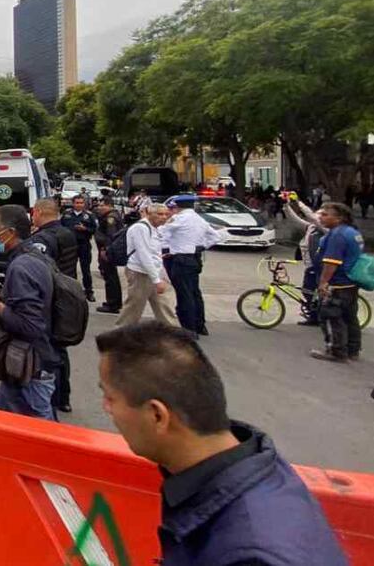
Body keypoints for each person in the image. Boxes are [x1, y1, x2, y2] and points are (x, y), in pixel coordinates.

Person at [96, 321, 347, 565]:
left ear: (157, 415)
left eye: (110, 398)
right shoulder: (253, 468)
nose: (105, 407)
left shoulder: (251, 553)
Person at [0, 205, 58, 420]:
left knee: (45, 438)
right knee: (2, 426)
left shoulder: (21, 266)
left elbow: (30, 325)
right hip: (20, 364)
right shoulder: (32, 254)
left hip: (32, 367)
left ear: (10, 233)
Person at [29, 198, 77, 413]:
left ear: (38, 212)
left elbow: (37, 269)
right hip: (67, 293)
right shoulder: (66, 232)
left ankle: (50, 395)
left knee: (48, 349)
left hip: (51, 298)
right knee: (60, 348)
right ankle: (63, 396)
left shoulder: (43, 238)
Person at [159, 194, 227, 338]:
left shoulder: (179, 219)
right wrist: (200, 247)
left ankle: (188, 330)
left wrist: (167, 249)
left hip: (180, 259)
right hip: (194, 259)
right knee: (195, 292)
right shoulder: (199, 219)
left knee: (184, 295)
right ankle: (199, 325)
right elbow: (216, 236)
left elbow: (161, 232)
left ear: (177, 207)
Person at [310, 202, 364, 363]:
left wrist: (323, 283)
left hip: (337, 285)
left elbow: (331, 263)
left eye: (326, 214)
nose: (321, 217)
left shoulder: (337, 235)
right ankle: (352, 350)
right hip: (350, 284)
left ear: (339, 218)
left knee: (331, 317)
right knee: (350, 318)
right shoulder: (352, 232)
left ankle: (336, 351)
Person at [116, 203, 180, 328]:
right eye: (159, 214)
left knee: (163, 306)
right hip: (140, 273)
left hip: (152, 272)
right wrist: (156, 280)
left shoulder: (155, 228)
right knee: (133, 308)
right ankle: (120, 335)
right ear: (149, 214)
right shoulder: (141, 228)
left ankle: (174, 335)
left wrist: (161, 275)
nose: (164, 217)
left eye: (166, 214)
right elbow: (143, 254)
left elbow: (155, 254)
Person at [284, 194, 325, 326]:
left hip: (317, 265)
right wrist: (286, 206)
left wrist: (299, 202)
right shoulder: (310, 227)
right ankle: (314, 315)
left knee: (309, 290)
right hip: (309, 265)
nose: (317, 217)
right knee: (308, 291)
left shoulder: (324, 229)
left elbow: (312, 216)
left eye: (321, 215)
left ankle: (317, 315)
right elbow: (295, 220)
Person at [61, 195, 97, 302]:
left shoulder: (89, 216)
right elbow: (60, 227)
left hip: (84, 245)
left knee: (85, 270)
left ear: (84, 204)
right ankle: (73, 291)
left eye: (81, 203)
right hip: (70, 246)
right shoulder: (66, 215)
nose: (79, 205)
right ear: (73, 203)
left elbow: (95, 230)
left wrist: (85, 229)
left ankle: (89, 292)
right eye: (77, 203)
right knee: (70, 269)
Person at [93, 198, 124, 314]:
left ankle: (112, 303)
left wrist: (105, 249)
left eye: (102, 206)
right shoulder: (109, 216)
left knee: (110, 277)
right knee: (110, 276)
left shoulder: (111, 218)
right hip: (107, 250)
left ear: (109, 206)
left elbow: (111, 236)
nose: (99, 208)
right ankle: (113, 302)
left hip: (107, 251)